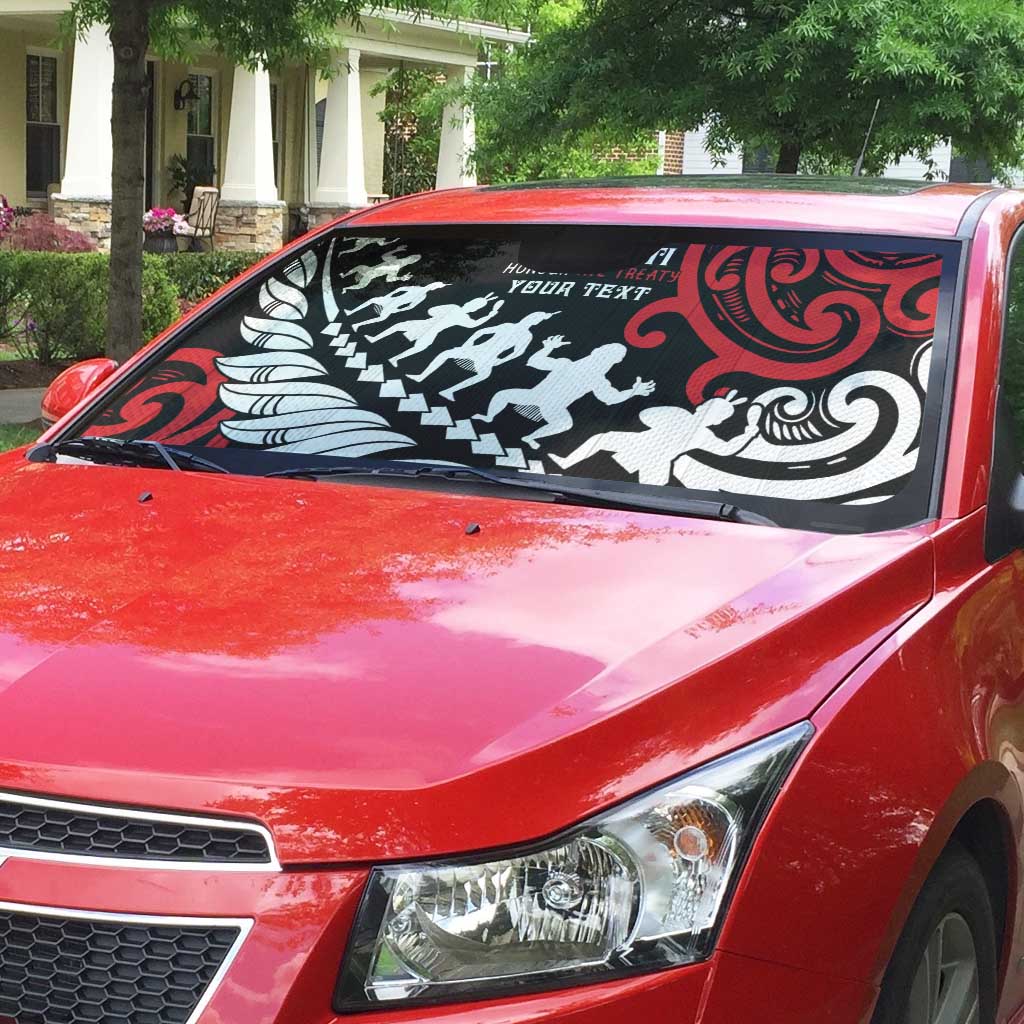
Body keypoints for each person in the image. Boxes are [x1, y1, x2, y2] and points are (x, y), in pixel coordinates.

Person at [473, 338, 655, 450]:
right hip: (534, 395)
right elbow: (534, 361)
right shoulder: (566, 363)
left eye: (611, 359)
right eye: (605, 355)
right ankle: (489, 417)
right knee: (503, 394)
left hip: (553, 407)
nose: (605, 361)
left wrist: (633, 391)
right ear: (595, 352)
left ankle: (530, 437)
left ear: (614, 363)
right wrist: (548, 348)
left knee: (565, 424)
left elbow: (610, 398)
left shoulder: (597, 379)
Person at [551, 391, 762, 484]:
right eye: (709, 407)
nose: (708, 413)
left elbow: (725, 450)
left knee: (653, 493)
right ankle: (566, 462)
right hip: (643, 448)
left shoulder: (700, 432)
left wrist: (749, 435)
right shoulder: (681, 416)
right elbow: (647, 415)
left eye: (715, 413)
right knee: (604, 438)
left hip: (654, 459)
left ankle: (567, 463)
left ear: (717, 421)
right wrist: (748, 435)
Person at [408, 311, 559, 402]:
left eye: (533, 319)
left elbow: (517, 352)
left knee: (482, 374)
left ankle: (448, 390)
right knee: (447, 354)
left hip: (486, 356)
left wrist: (499, 360)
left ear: (533, 322)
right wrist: (468, 344)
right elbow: (482, 332)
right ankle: (422, 377)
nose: (528, 320)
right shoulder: (512, 328)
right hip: (479, 352)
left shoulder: (523, 334)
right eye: (531, 318)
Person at [376, 294, 506, 365]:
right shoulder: (458, 312)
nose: (472, 306)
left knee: (418, 343)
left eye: (475, 306)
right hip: (428, 325)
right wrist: (490, 315)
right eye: (473, 304)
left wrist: (490, 315)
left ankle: (394, 357)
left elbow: (431, 311)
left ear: (475, 309)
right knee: (400, 328)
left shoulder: (457, 311)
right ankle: (378, 340)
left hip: (430, 328)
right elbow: (474, 324)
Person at [346, 283, 447, 331]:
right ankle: (351, 312)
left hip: (394, 305)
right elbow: (400, 289)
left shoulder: (422, 296)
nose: (433, 287)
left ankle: (357, 325)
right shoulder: (416, 288)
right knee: (372, 300)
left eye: (436, 287)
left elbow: (411, 306)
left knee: (382, 317)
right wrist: (389, 296)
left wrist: (397, 309)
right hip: (391, 300)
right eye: (434, 286)